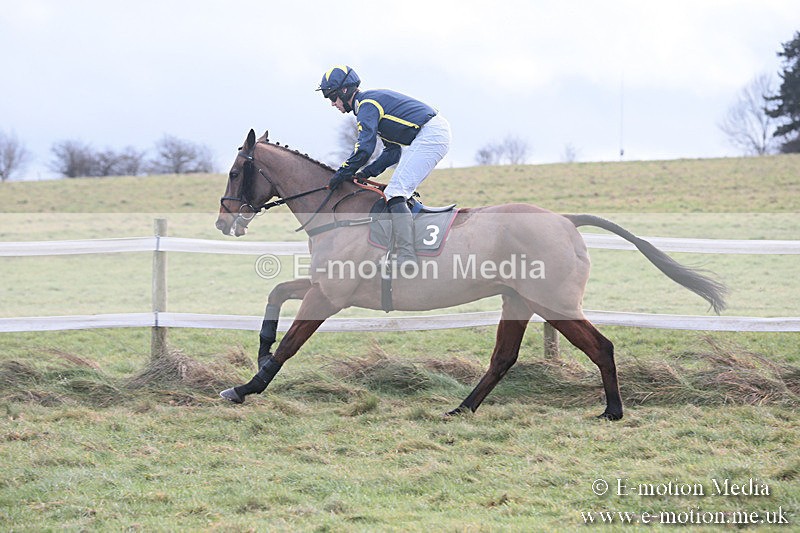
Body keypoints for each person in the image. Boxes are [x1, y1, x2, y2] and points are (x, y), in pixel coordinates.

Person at [317, 65, 451, 269]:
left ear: (344, 91)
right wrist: (364, 173)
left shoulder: (367, 105)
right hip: (432, 133)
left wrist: (343, 172)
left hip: (431, 134)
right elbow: (392, 152)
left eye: (332, 97)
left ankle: (407, 256)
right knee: (395, 191)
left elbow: (364, 148)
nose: (332, 104)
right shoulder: (368, 105)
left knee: (396, 191)